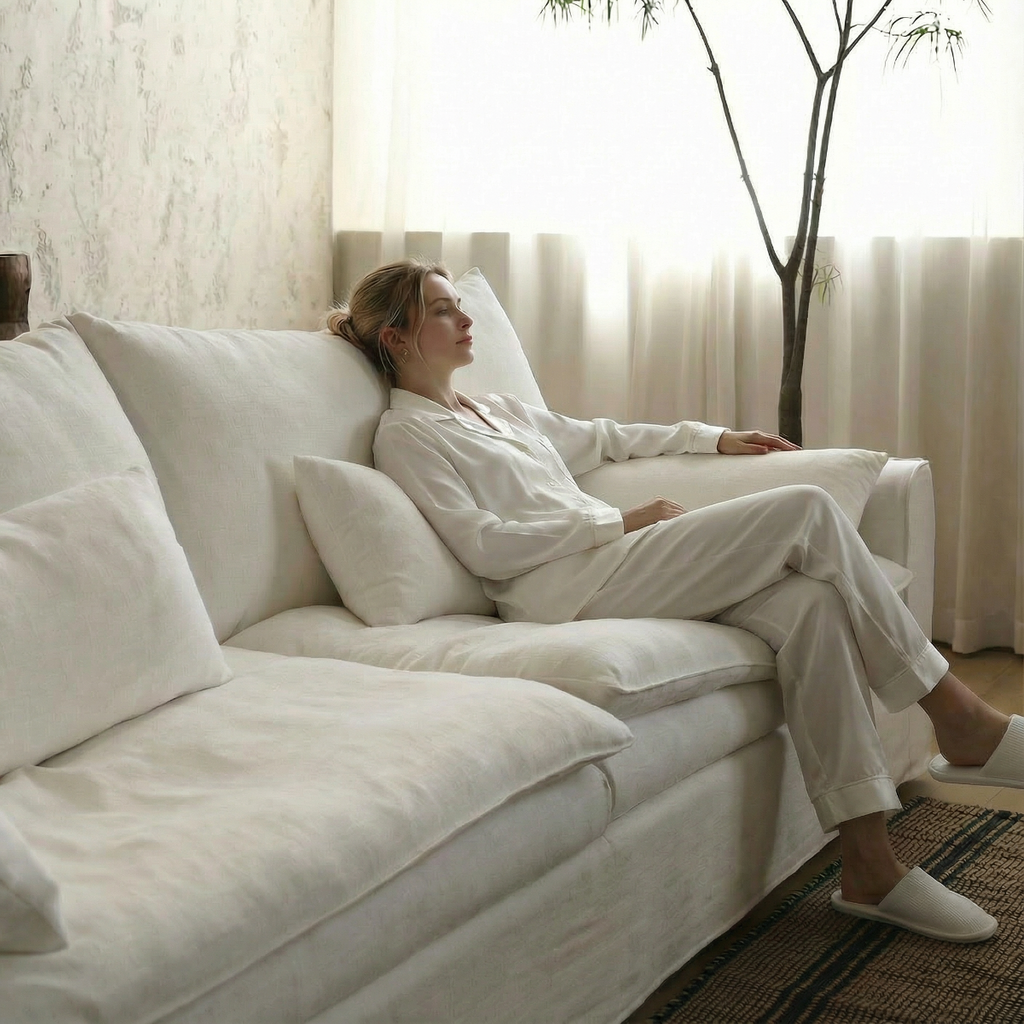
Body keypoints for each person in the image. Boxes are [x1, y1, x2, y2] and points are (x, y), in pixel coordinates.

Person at [328, 257, 1023, 943]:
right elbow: (484, 544)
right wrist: (615, 520)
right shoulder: (407, 435)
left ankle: (869, 868)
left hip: (616, 564)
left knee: (812, 604)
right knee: (805, 509)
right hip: (565, 588)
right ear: (396, 337)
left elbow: (604, 438)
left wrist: (711, 438)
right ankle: (959, 719)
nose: (465, 317)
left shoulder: (497, 411)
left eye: (458, 303)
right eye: (444, 309)